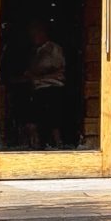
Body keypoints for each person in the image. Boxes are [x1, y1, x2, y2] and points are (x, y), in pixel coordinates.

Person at [21, 18, 70, 147]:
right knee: (32, 118)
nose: (33, 37)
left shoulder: (53, 49)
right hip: (38, 88)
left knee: (53, 119)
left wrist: (36, 73)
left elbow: (54, 65)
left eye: (36, 33)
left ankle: (58, 143)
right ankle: (35, 144)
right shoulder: (35, 51)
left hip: (53, 87)